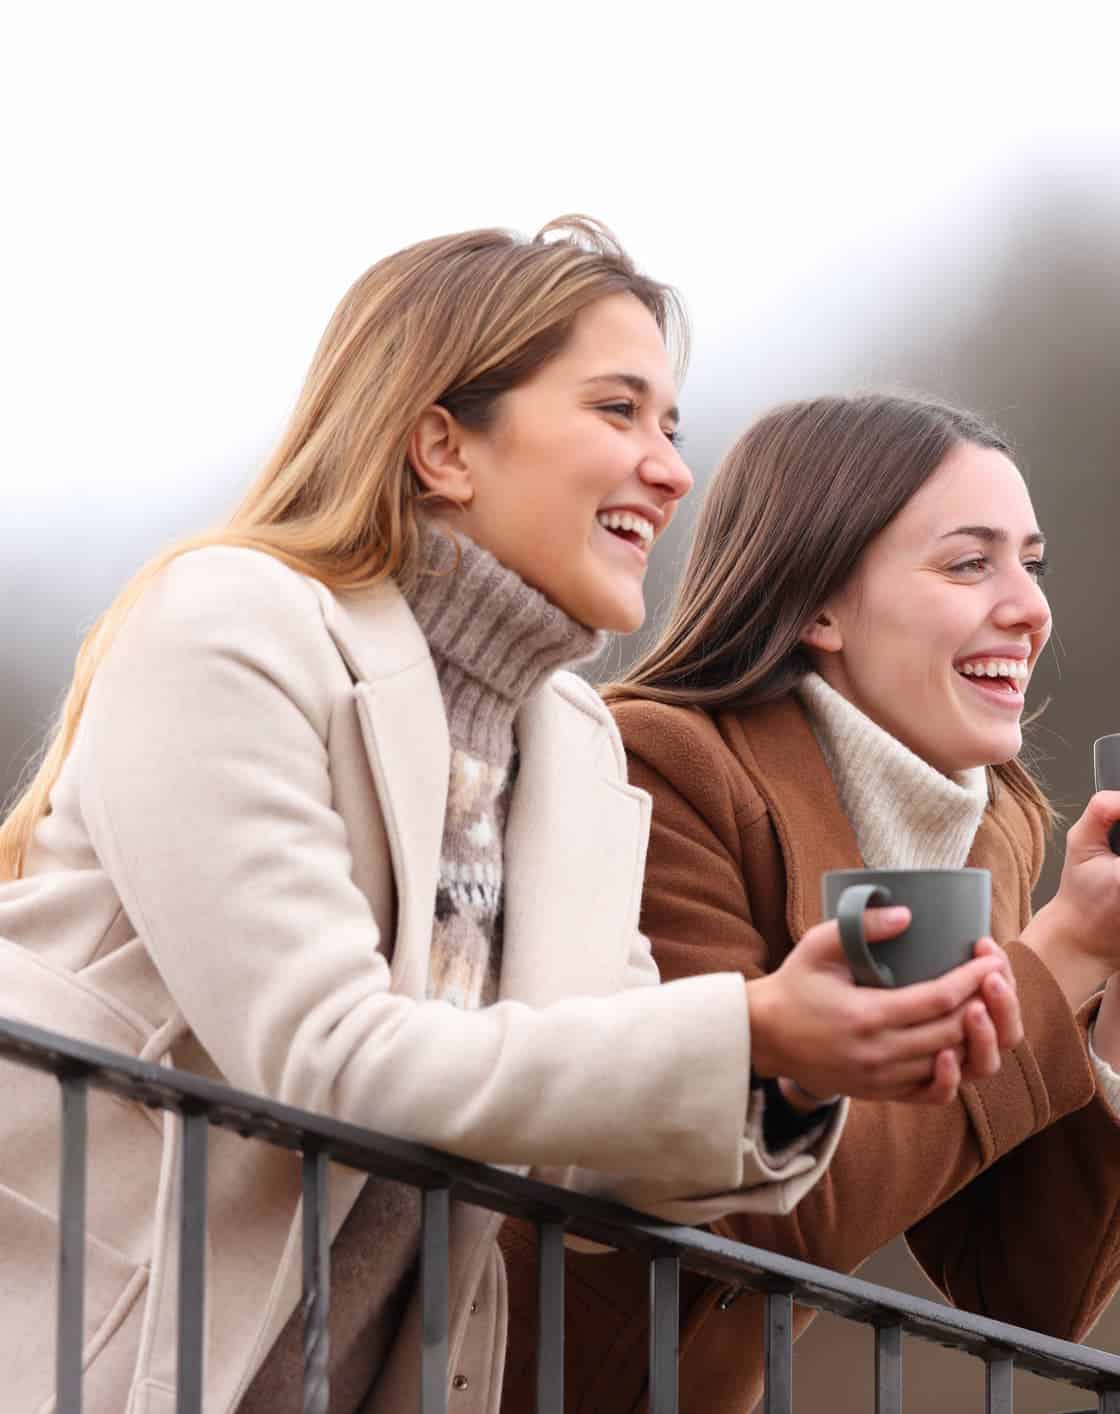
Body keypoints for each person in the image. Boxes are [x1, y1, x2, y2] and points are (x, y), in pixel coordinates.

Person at [0, 225, 1011, 1414]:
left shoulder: (573, 747)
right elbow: (327, 1061)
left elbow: (601, 1139)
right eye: (618, 410)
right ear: (444, 444)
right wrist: (754, 1024)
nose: (672, 468)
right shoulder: (231, 624)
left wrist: (785, 1067)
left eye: (672, 427)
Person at [496, 393, 1120, 1413]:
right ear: (820, 602)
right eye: (971, 563)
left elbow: (1022, 1290)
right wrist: (1072, 947)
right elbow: (773, 1203)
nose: (1028, 607)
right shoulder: (659, 767)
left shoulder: (993, 827)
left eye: (1032, 564)